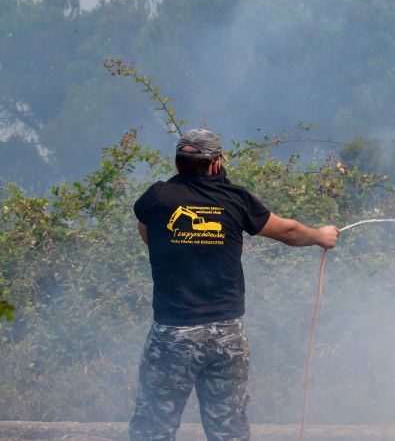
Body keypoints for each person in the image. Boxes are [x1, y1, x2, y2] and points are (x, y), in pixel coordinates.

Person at [129, 128, 339, 441]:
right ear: (216, 164)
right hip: (226, 333)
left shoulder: (156, 198)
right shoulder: (235, 199)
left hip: (173, 334)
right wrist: (320, 236)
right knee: (228, 429)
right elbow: (289, 232)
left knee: (153, 427)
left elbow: (149, 237)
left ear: (177, 164)